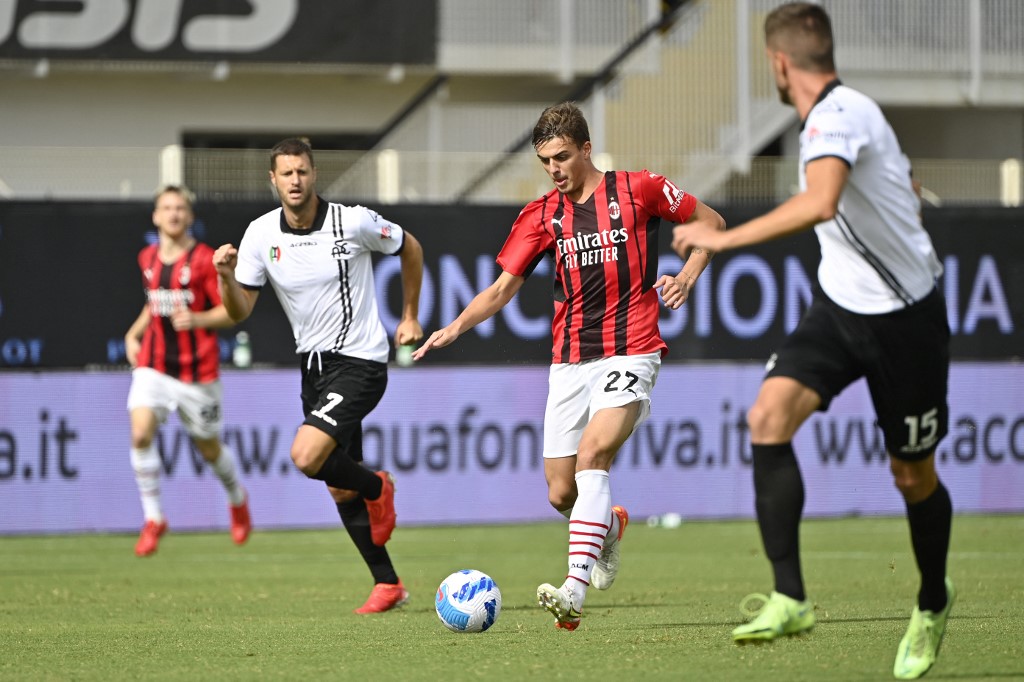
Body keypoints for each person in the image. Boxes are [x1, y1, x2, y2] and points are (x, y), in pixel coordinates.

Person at [672, 4, 953, 679]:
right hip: (839, 307)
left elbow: (821, 201)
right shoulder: (836, 117)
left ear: (778, 62)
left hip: (906, 321)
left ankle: (932, 600)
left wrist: (720, 237)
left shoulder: (838, 113)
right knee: (766, 417)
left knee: (910, 474)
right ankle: (790, 597)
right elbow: (887, 188)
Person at [413, 102, 725, 630]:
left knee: (593, 454)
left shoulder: (639, 189)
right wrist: (454, 328)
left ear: (585, 148)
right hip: (570, 361)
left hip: (633, 347)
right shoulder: (540, 215)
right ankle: (608, 528)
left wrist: (688, 275)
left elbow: (710, 222)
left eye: (561, 157)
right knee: (561, 491)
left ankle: (573, 592)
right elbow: (501, 288)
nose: (554, 169)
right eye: (545, 162)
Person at [213, 138, 424, 614]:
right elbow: (240, 310)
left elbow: (410, 247)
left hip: (361, 362)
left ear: (314, 173)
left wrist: (409, 315)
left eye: (302, 172)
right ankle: (387, 583)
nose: (295, 180)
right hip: (313, 368)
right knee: (337, 484)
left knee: (307, 455)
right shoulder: (260, 234)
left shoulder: (352, 221)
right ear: (273, 179)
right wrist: (226, 277)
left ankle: (378, 487)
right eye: (286, 173)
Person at [125, 185, 252, 557]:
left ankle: (237, 498)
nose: (174, 214)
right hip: (155, 366)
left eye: (180, 208)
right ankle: (154, 518)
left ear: (190, 216)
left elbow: (230, 312)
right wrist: (132, 334)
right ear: (156, 216)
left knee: (209, 449)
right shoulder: (146, 257)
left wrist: (196, 318)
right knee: (140, 433)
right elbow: (155, 304)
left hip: (198, 374)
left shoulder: (203, 260)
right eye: (167, 208)